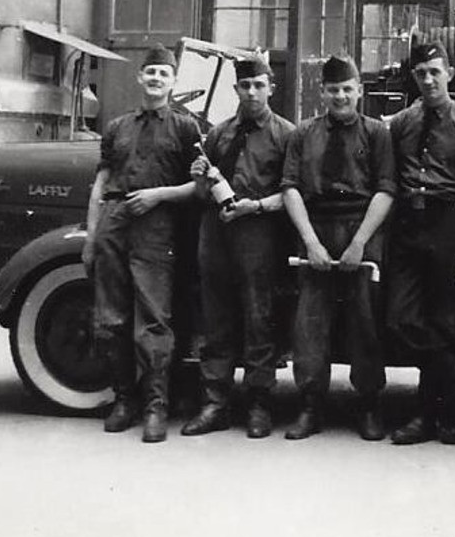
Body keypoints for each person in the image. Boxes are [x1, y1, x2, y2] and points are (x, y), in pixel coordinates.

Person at [82, 44, 201, 443]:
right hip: (115, 222)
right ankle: (123, 400)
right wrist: (91, 237)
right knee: (110, 318)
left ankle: (156, 407)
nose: (155, 79)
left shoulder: (186, 128)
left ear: (173, 82)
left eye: (163, 74)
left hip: (157, 225)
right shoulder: (117, 127)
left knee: (153, 319)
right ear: (140, 77)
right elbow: (100, 184)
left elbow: (199, 186)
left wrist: (159, 196)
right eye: (149, 72)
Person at [280, 55, 398, 440]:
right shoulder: (303, 134)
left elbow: (385, 190)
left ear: (360, 91)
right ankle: (311, 405)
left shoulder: (377, 133)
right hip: (316, 228)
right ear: (322, 92)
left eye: (348, 89)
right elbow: (291, 188)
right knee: (309, 324)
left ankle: (368, 404)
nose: (341, 96)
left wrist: (360, 243)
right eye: (333, 90)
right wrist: (311, 242)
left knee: (365, 322)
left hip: (362, 227)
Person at [180, 57, 296, 439]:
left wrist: (256, 206)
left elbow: (294, 195)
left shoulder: (285, 135)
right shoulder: (219, 134)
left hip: (259, 234)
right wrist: (199, 177)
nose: (251, 92)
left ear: (271, 87)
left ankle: (259, 402)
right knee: (216, 317)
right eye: (244, 86)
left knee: (258, 315)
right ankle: (215, 402)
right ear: (235, 90)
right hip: (216, 234)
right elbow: (202, 192)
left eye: (258, 85)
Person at [385, 42, 455, 445]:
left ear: (450, 72)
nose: (428, 80)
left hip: (450, 222)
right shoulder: (401, 123)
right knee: (401, 319)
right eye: (420, 74)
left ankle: (431, 415)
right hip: (409, 224)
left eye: (434, 71)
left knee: (445, 323)